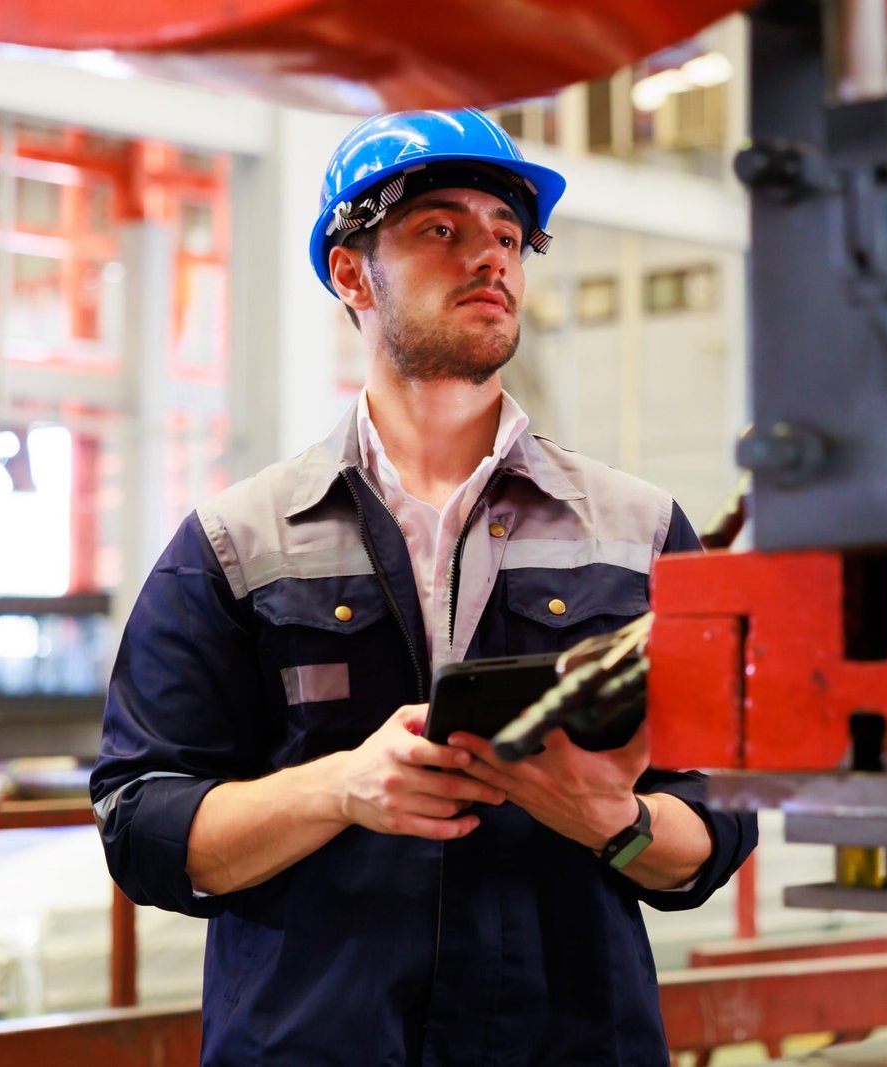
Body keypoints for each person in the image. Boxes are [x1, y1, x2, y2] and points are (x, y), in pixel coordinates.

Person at [91, 108, 758, 1066]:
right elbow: (141, 823)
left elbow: (722, 814)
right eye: (441, 228)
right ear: (352, 272)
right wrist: (340, 788)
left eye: (507, 234)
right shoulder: (235, 543)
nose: (489, 256)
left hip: (569, 1043)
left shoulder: (638, 531)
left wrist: (610, 819)